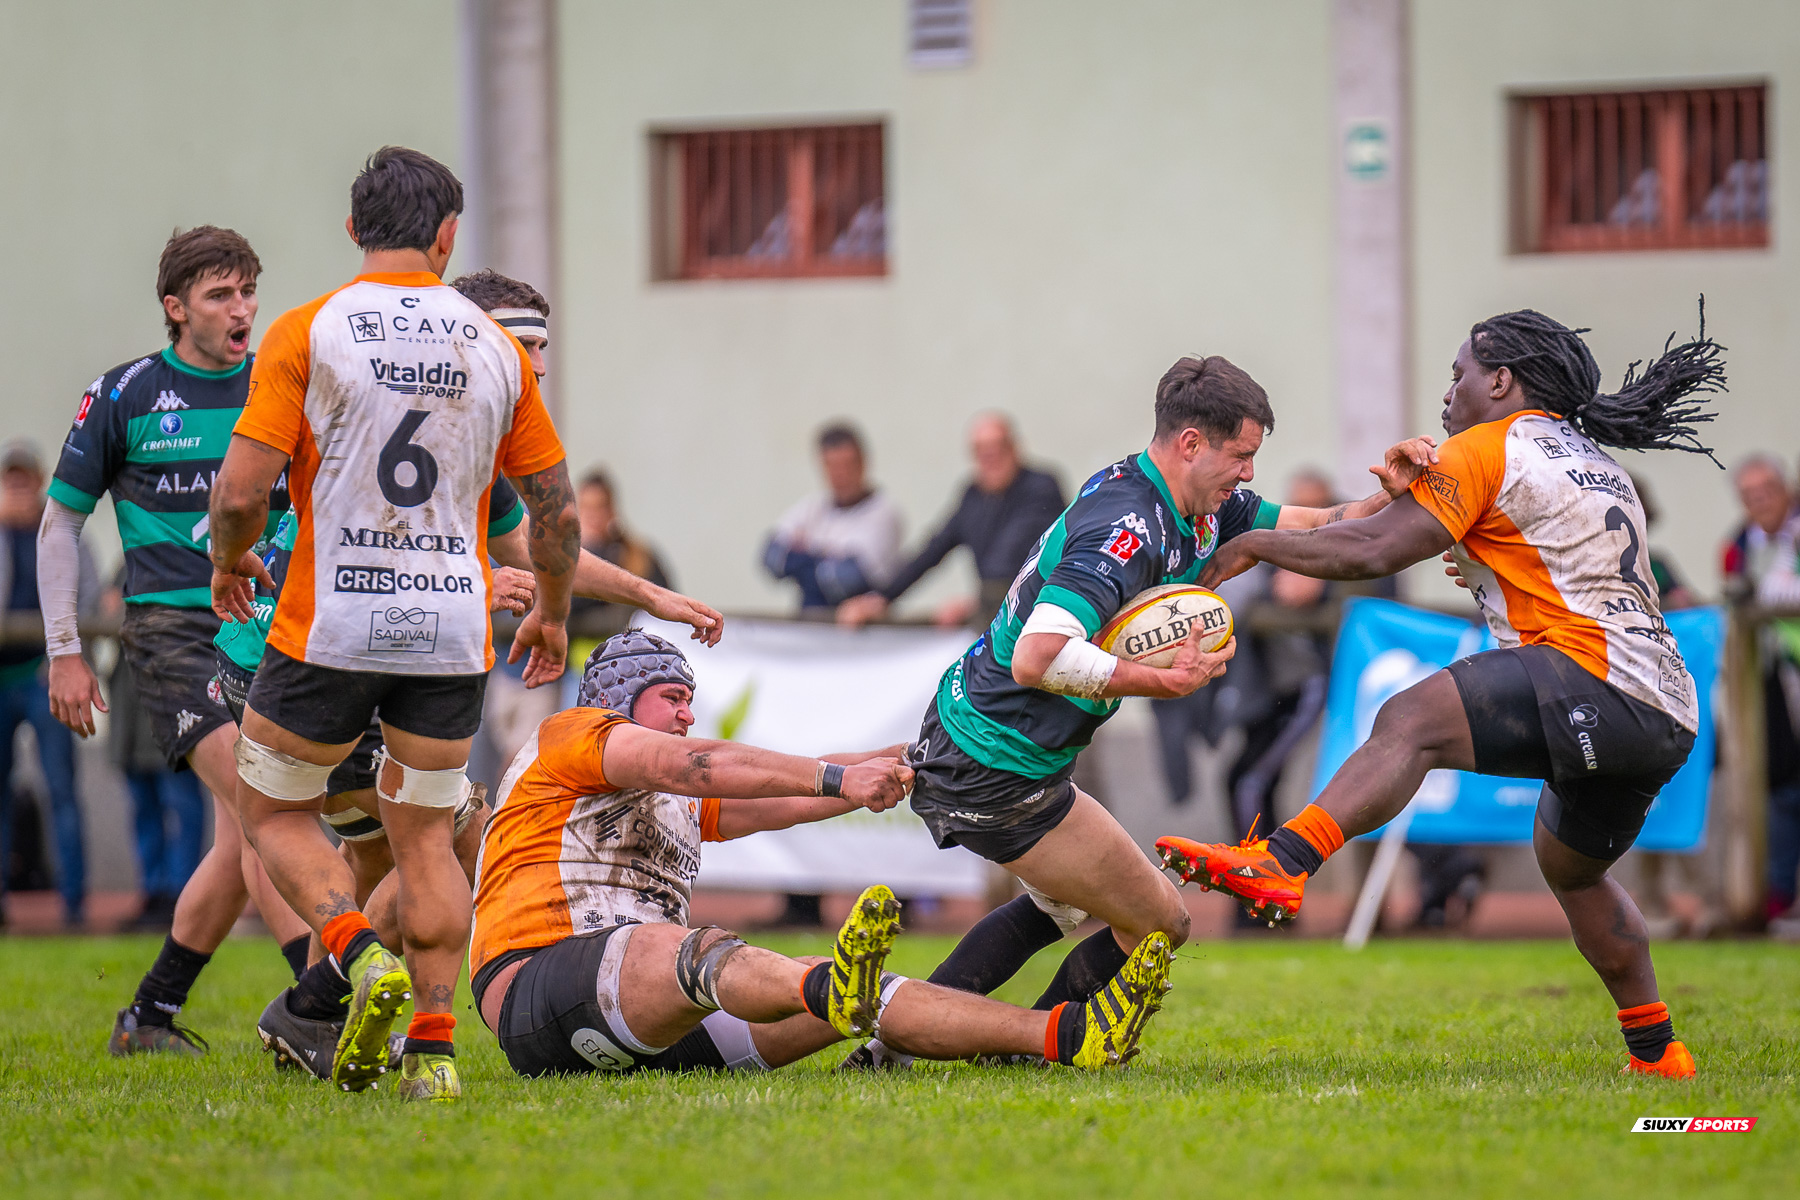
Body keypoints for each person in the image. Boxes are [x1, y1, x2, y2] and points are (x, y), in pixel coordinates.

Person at [1160, 306, 1728, 1080]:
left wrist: (1250, 544)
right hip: (1665, 706)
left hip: (1595, 675)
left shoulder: (1484, 447)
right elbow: (1548, 559)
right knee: (1574, 871)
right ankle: (1660, 1054)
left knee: (1411, 719)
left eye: (1461, 372)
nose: (1450, 388)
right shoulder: (1590, 458)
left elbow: (1374, 550)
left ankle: (1282, 861)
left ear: (1500, 380)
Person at [843, 355, 1436, 1070]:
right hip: (994, 756)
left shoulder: (1197, 506)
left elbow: (1311, 525)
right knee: (1160, 920)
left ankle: (911, 1049)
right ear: (1191, 444)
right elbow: (1037, 656)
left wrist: (1391, 502)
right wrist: (1160, 682)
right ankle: (1024, 1045)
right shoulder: (1127, 526)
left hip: (998, 740)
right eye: (1241, 456)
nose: (1249, 474)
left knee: (1062, 907)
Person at [240, 270, 727, 1082]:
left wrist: (653, 595)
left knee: (423, 849)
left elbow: (538, 545)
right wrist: (474, 579)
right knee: (436, 838)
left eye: (542, 349)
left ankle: (319, 1005)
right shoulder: (430, 408)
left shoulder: (457, 424)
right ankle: (361, 1007)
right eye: (524, 345)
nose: (535, 366)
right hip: (310, 657)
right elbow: (375, 544)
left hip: (364, 661)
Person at [208, 147, 580, 1103]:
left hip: (330, 622)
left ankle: (353, 955)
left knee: (272, 812)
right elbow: (557, 512)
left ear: (352, 230)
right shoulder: (495, 347)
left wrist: (227, 557)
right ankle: (438, 1054)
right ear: (447, 236)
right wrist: (552, 612)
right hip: (451, 629)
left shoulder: (307, 330)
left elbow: (242, 492)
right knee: (425, 837)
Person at [470, 631, 1175, 1078]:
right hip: (532, 989)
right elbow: (691, 763)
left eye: (691, 700)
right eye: (672, 697)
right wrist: (838, 778)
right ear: (620, 700)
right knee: (694, 951)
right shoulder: (575, 732)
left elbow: (789, 794)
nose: (688, 712)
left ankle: (1067, 1034)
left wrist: (907, 764)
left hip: (649, 1010)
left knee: (877, 996)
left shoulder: (674, 800)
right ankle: (825, 988)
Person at [39, 227, 309, 1054]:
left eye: (249, 292)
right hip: (170, 632)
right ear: (175, 307)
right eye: (222, 295)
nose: (244, 309)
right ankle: (319, 1005)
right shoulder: (122, 394)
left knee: (239, 839)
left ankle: (149, 1016)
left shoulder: (278, 386)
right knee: (265, 811)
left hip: (263, 630)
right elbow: (58, 526)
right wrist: (64, 650)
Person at [837, 413, 1064, 630]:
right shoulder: (973, 496)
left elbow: (1011, 559)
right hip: (997, 618)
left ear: (1015, 448)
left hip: (1039, 615)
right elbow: (933, 549)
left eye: (998, 447)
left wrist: (976, 604)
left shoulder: (1041, 488)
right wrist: (882, 597)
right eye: (982, 451)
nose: (991, 458)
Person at [0, 441, 97, 926]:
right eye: (9, 481)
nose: (17, 490)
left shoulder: (61, 531)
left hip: (45, 676)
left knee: (62, 789)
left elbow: (92, 599)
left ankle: (75, 906)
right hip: (2, 678)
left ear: (39, 483)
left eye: (24, 480)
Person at [763, 423, 903, 612]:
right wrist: (826, 557)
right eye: (832, 466)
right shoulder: (812, 507)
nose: (840, 475)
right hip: (811, 625)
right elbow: (771, 558)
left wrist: (802, 554)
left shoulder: (884, 514)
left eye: (847, 465)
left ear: (863, 463)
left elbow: (846, 580)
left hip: (863, 632)